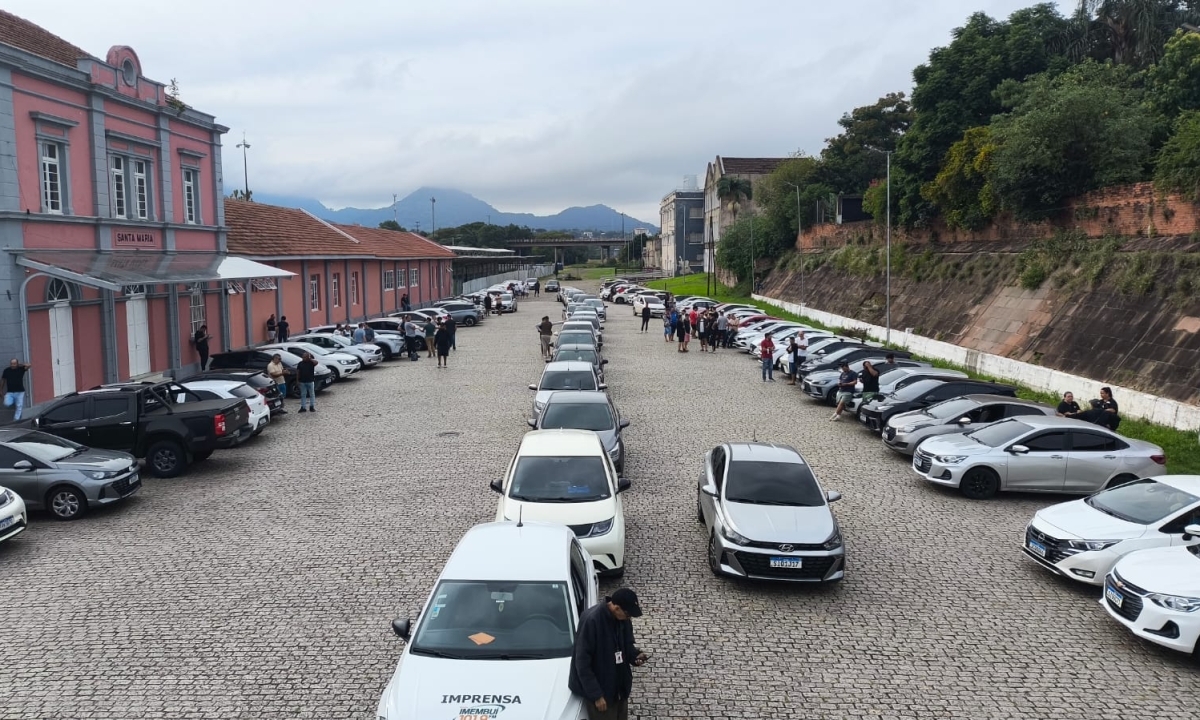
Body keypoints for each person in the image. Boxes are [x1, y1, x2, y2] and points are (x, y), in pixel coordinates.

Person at [568, 588, 647, 720]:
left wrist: (635, 656)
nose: (629, 618)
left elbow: (627, 644)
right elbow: (582, 663)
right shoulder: (591, 621)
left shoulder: (623, 619)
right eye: (628, 614)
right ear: (616, 608)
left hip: (619, 689)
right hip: (601, 693)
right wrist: (597, 695)